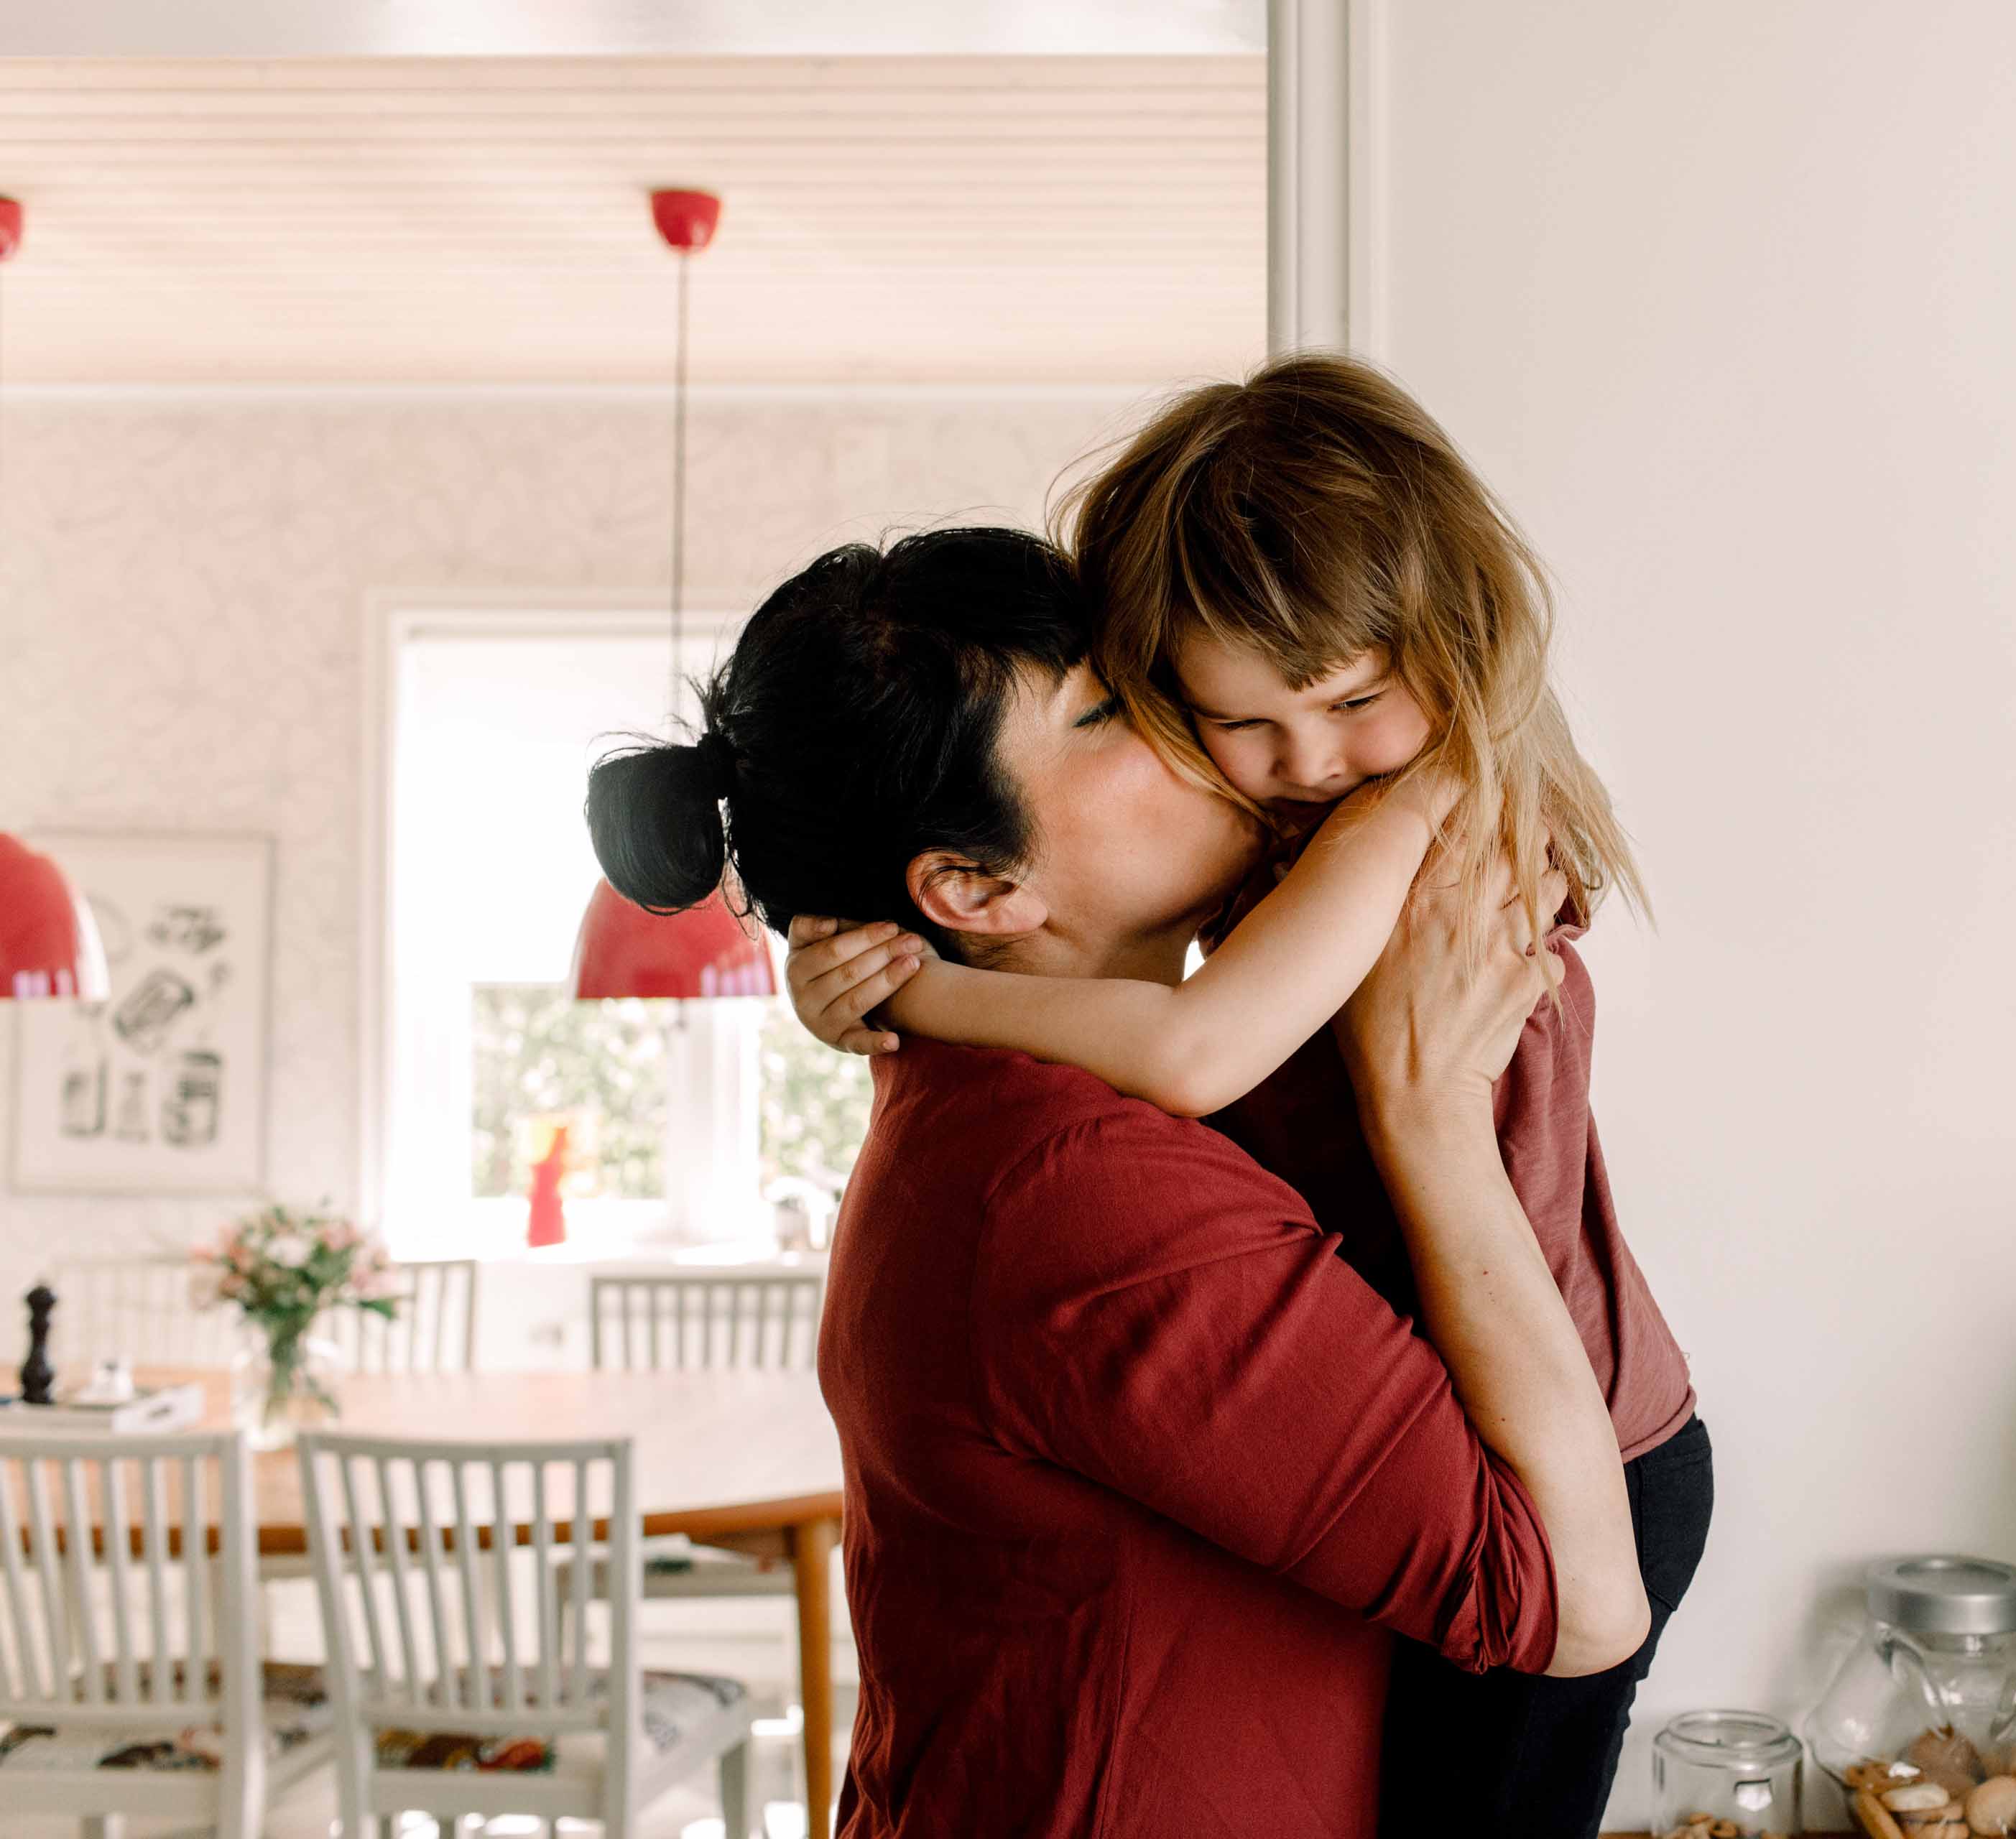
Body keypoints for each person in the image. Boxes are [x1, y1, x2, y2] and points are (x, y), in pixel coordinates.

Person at [584, 524, 1647, 1839]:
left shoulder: (1001, 1106)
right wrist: (1425, 1112)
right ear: (975, 886)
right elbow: (1572, 1603)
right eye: (1101, 710)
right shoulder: (1073, 1190)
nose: (1178, 711)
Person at [781, 355, 1709, 1839]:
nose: (1290, 757)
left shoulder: (1421, 813)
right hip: (1504, 1446)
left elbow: (1199, 1045)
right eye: (1150, 714)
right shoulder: (1071, 1138)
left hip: (1585, 1443)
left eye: (1348, 697)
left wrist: (924, 996)